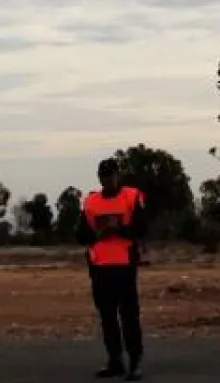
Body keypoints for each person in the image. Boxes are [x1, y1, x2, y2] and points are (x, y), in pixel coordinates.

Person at [77, 158, 148, 379]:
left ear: (118, 175)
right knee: (107, 317)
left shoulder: (132, 196)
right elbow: (80, 235)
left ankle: (135, 362)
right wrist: (98, 233)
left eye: (111, 176)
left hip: (124, 266)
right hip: (99, 268)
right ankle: (114, 360)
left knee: (129, 316)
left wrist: (120, 228)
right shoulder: (90, 201)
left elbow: (142, 228)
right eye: (103, 177)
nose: (107, 180)